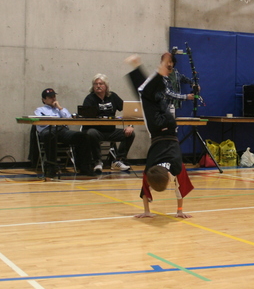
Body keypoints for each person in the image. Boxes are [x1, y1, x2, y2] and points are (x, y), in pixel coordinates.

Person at [125, 53, 194, 219]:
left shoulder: (175, 167)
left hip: (170, 126)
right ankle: (157, 73)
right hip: (158, 129)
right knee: (144, 94)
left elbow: (179, 188)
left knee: (152, 96)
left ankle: (156, 74)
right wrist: (148, 211)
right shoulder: (151, 167)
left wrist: (179, 211)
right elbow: (147, 188)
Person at [34, 88, 97, 178]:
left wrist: (59, 108)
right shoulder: (39, 110)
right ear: (44, 100)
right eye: (50, 97)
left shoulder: (61, 109)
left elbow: (69, 119)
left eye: (54, 96)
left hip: (62, 130)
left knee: (83, 136)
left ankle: (85, 167)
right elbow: (41, 122)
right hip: (47, 130)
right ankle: (51, 167)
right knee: (50, 136)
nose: (53, 99)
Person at [81, 74, 135, 172]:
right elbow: (85, 117)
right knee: (91, 133)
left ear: (106, 86)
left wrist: (130, 126)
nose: (98, 86)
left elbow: (128, 110)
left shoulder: (112, 96)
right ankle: (98, 161)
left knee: (130, 134)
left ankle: (118, 160)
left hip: (111, 131)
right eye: (96, 84)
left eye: (101, 84)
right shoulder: (90, 99)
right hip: (96, 131)